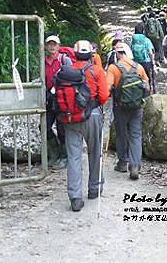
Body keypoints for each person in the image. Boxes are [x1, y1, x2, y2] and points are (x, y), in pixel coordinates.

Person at [58, 40, 109, 212]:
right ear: (90, 54)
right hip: (92, 115)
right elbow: (103, 96)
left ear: (75, 54)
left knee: (74, 156)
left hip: (70, 118)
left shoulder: (66, 71)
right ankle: (94, 189)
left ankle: (75, 197)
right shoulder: (96, 70)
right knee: (95, 152)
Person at [107, 42, 150, 180]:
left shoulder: (113, 68)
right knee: (135, 135)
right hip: (137, 107)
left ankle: (123, 162)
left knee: (121, 134)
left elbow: (107, 88)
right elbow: (147, 87)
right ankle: (135, 165)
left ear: (117, 54)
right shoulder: (139, 67)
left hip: (120, 107)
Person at [44, 35, 72, 170]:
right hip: (49, 99)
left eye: (54, 44)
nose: (52, 46)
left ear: (59, 46)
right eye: (49, 44)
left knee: (62, 129)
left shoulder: (64, 60)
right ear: (45, 46)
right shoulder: (42, 62)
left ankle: (64, 156)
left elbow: (72, 78)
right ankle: (54, 153)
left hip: (62, 99)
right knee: (44, 127)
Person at [131, 24, 156, 93]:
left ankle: (139, 92)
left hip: (136, 62)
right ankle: (147, 91)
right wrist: (152, 60)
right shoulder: (146, 40)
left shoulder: (133, 40)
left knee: (137, 77)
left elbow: (131, 50)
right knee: (147, 77)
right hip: (146, 61)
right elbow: (150, 52)